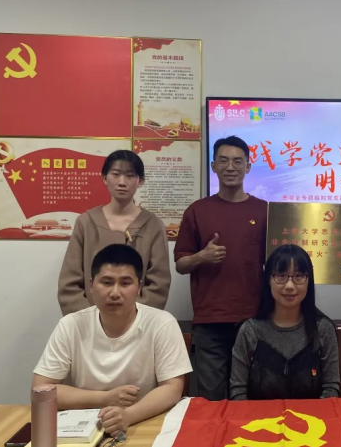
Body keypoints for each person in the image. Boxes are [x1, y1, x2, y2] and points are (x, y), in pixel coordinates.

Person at [33, 244, 192, 437]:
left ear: (139, 287)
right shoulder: (71, 325)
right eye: (107, 282)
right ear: (91, 285)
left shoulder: (162, 323)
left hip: (144, 421)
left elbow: (172, 388)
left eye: (125, 283)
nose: (115, 293)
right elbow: (41, 389)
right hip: (82, 426)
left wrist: (128, 415)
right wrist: (105, 398)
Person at [174, 136, 268, 401]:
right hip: (210, 321)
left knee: (253, 395)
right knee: (212, 399)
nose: (230, 167)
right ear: (213, 166)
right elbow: (181, 264)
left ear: (248, 167)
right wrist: (201, 257)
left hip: (255, 319)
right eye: (223, 161)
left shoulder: (264, 210)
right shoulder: (197, 211)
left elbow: (276, 265)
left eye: (238, 161)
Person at [58, 150, 170, 315]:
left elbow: (158, 285)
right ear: (104, 178)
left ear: (140, 181)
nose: (122, 182)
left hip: (137, 323)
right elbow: (69, 284)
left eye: (130, 175)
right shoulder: (86, 222)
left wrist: (132, 319)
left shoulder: (153, 225)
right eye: (115, 174)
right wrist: (91, 319)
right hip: (89, 323)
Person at [230, 245, 340, 400]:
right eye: (281, 276)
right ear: (268, 280)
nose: (289, 286)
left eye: (298, 276)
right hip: (260, 416)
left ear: (309, 281)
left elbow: (331, 389)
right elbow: (238, 392)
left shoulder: (323, 329)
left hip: (311, 416)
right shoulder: (250, 330)